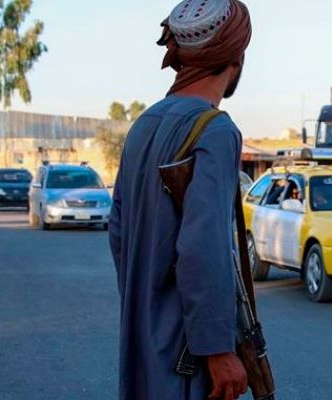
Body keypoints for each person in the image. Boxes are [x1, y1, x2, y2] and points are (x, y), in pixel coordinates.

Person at [108, 1, 252, 399]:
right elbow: (202, 248)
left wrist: (146, 303)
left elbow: (119, 232)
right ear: (235, 55)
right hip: (185, 351)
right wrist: (219, 349)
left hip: (143, 332)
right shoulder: (215, 130)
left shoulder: (144, 124)